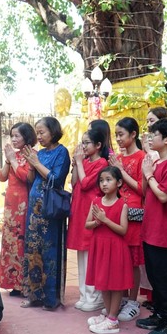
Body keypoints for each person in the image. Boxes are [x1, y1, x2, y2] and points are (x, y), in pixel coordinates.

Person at [135, 118, 167, 334]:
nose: (150, 138)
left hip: (166, 232)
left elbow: (164, 195)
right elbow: (147, 192)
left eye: (154, 135)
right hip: (152, 229)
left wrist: (149, 174)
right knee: (155, 275)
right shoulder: (156, 162)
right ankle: (160, 315)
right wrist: (148, 171)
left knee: (165, 278)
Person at [21, 117, 71, 311]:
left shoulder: (62, 152)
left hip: (51, 210)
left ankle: (51, 298)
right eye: (38, 133)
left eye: (42, 132)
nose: (39, 136)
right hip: (35, 209)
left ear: (53, 131)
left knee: (50, 251)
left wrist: (37, 163)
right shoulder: (39, 153)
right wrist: (32, 165)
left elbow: (56, 180)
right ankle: (34, 295)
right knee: (33, 251)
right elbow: (32, 180)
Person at [85, 166, 132, 334]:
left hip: (116, 248)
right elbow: (87, 224)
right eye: (101, 180)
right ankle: (108, 315)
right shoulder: (96, 202)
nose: (104, 184)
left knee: (116, 284)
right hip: (100, 246)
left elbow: (123, 230)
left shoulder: (122, 204)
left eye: (108, 180)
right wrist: (97, 223)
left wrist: (105, 220)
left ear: (119, 182)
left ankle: (113, 319)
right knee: (103, 282)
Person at [68, 129, 109, 312]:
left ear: (98, 145)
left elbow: (86, 184)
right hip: (79, 209)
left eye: (87, 143)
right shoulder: (84, 162)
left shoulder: (102, 163)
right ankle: (84, 294)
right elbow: (75, 182)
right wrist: (76, 164)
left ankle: (95, 296)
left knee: (91, 254)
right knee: (81, 253)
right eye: (82, 142)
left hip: (91, 210)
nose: (83, 146)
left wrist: (78, 162)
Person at [109, 117, 145, 321]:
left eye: (121, 134)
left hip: (133, 213)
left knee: (132, 260)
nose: (118, 139)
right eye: (116, 135)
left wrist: (120, 170)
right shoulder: (117, 158)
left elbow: (142, 189)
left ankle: (132, 301)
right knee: (119, 257)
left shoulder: (141, 157)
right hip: (116, 210)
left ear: (133, 135)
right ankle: (120, 299)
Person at [0, 122, 37, 296]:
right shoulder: (13, 155)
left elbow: (26, 178)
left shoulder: (32, 155)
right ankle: (13, 282)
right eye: (12, 136)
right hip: (10, 204)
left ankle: (24, 283)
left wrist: (13, 160)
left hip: (24, 202)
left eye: (17, 136)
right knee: (10, 241)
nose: (13, 139)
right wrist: (8, 160)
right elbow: (1, 177)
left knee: (22, 241)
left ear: (27, 137)